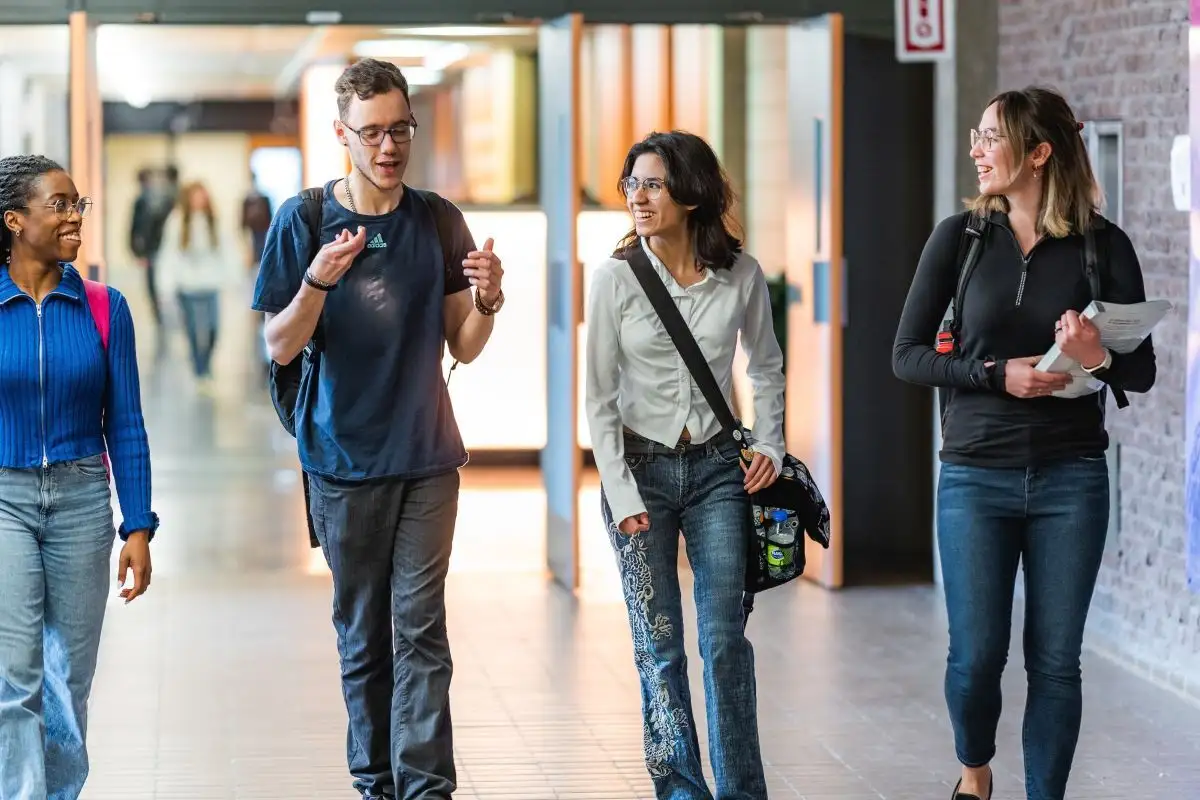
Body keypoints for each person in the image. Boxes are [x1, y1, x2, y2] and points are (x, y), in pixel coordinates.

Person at [251, 58, 505, 800]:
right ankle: (376, 782)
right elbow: (278, 344)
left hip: (428, 457)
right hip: (341, 461)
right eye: (371, 133)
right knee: (365, 635)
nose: (388, 147)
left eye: (400, 130)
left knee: (422, 628)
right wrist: (319, 281)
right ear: (342, 135)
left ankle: (427, 787)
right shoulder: (302, 220)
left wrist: (488, 300)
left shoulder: (436, 219)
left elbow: (463, 344)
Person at [892, 86, 1156, 800]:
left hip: (1072, 476)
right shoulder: (961, 238)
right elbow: (907, 354)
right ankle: (975, 769)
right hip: (976, 476)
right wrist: (991, 373)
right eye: (976, 137)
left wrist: (1097, 354)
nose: (976, 150)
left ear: (1038, 153)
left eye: (990, 138)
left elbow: (1141, 370)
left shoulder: (1104, 247)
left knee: (1056, 661)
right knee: (977, 658)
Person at [584, 130, 785, 800]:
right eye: (632, 184)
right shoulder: (614, 278)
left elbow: (766, 365)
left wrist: (771, 445)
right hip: (637, 473)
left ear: (691, 195)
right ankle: (680, 789)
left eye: (653, 185)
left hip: (718, 473)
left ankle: (741, 791)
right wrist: (621, 491)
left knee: (725, 639)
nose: (638, 197)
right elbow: (599, 397)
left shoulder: (741, 275)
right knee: (659, 645)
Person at [0, 154, 157, 799]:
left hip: (82, 501)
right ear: (14, 219)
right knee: (16, 675)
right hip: (4, 498)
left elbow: (126, 421)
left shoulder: (102, 306)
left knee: (68, 677)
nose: (74, 217)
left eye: (77, 205)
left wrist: (139, 524)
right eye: (59, 205)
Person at [158, 180, 233, 384]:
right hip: (187, 285)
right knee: (192, 329)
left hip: (211, 284)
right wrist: (166, 285)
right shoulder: (177, 220)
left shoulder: (213, 220)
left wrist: (232, 278)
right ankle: (199, 369)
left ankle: (206, 363)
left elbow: (226, 251)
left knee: (212, 329)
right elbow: (169, 255)